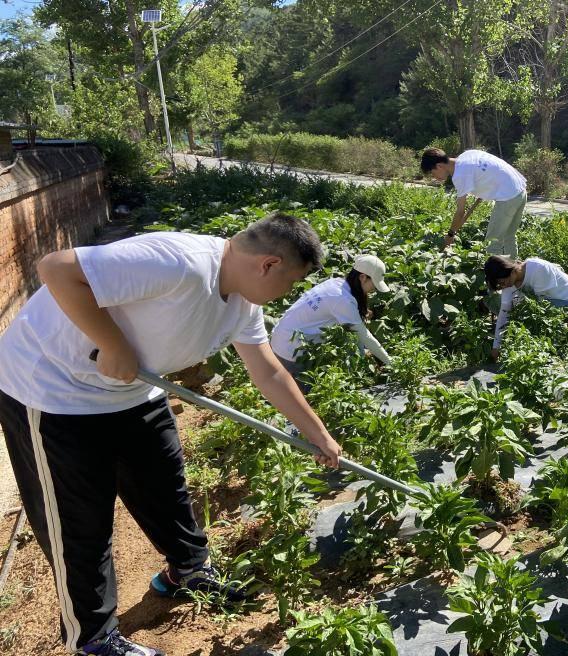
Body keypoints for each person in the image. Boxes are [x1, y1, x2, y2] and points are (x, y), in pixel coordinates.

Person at [0, 213, 343, 656]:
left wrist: (317, 433)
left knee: (163, 485)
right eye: (291, 282)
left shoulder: (242, 302)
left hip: (132, 391)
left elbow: (268, 372)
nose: (288, 293)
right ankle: (94, 640)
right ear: (269, 264)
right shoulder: (177, 262)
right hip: (52, 389)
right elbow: (57, 269)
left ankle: (188, 571)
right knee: (79, 521)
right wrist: (113, 342)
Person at [271, 255, 393, 381]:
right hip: (291, 349)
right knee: (306, 396)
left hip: (281, 336)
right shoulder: (342, 300)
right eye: (374, 284)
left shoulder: (336, 284)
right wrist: (391, 363)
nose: (374, 289)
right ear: (362, 277)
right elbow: (364, 336)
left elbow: (354, 331)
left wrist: (363, 352)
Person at [420, 147, 527, 258]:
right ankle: (514, 271)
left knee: (492, 243)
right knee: (508, 237)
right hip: (520, 189)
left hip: (508, 197)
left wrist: (450, 235)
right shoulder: (466, 155)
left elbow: (460, 211)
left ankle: (495, 274)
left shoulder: (460, 175)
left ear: (439, 166)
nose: (435, 178)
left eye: (433, 174)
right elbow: (488, 169)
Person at [484, 255, 568, 360]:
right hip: (554, 306)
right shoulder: (509, 284)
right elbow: (503, 314)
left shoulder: (537, 269)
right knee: (525, 316)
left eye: (502, 282)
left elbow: (543, 308)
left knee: (534, 317)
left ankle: (567, 347)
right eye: (500, 285)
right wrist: (496, 347)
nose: (503, 286)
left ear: (508, 270)